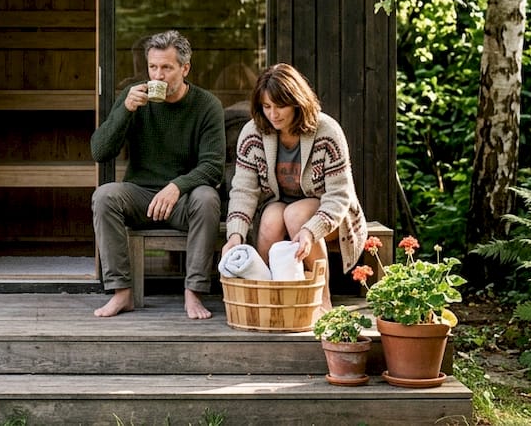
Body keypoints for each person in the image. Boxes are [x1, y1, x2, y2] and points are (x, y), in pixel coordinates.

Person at [91, 30, 225, 319]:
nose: (158, 75)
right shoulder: (133, 98)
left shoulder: (206, 105)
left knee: (207, 197)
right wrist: (124, 112)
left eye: (167, 67)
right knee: (104, 196)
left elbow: (213, 166)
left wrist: (177, 186)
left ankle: (194, 293)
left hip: (183, 199)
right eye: (153, 67)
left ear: (185, 68)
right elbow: (99, 151)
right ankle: (121, 293)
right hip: (140, 195)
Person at [221, 63, 368, 309]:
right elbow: (244, 190)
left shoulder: (327, 131)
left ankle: (323, 300)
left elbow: (340, 195)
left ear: (298, 103)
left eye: (280, 106)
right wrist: (235, 235)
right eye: (266, 107)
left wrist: (311, 230)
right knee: (269, 221)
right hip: (279, 205)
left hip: (329, 214)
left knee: (296, 215)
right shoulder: (252, 133)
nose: (273, 114)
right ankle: (272, 299)